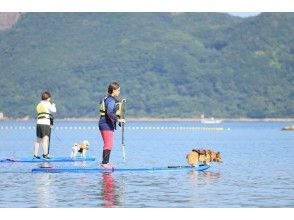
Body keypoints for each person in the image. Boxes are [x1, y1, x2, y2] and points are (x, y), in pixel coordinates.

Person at [99, 82, 125, 168]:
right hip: (106, 124)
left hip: (104, 123)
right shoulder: (111, 100)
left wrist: (117, 121)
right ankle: (105, 163)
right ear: (113, 90)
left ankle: (105, 163)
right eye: (118, 90)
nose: (119, 92)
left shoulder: (107, 98)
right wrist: (118, 119)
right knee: (108, 144)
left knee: (108, 143)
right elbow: (109, 112)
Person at [33, 91, 56, 159]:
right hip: (45, 123)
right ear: (48, 98)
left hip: (38, 123)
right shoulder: (48, 104)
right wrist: (53, 105)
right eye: (49, 98)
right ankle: (45, 155)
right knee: (45, 139)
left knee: (38, 140)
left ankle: (35, 155)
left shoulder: (38, 105)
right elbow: (53, 110)